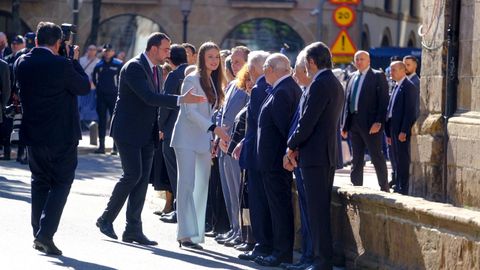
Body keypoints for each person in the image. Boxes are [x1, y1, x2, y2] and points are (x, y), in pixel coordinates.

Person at [96, 32, 206, 245]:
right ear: (153, 48)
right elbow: (148, 97)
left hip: (147, 132)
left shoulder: (155, 69)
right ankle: (106, 218)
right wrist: (181, 100)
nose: (168, 54)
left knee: (141, 180)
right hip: (128, 131)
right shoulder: (134, 66)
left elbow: (152, 101)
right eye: (166, 49)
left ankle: (133, 229)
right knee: (132, 174)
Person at [15, 21, 90, 255]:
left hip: (34, 134)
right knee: (61, 183)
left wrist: (65, 59)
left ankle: (38, 232)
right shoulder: (62, 65)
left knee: (39, 183)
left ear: (36, 40)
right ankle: (45, 234)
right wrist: (73, 61)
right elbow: (84, 87)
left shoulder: (21, 62)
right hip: (62, 136)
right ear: (58, 43)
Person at [285, 42, 345, 270]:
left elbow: (307, 122)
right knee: (317, 210)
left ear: (311, 62)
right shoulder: (332, 82)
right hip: (322, 155)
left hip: (316, 156)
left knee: (317, 211)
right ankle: (320, 259)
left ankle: (321, 261)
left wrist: (291, 145)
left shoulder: (321, 84)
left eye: (306, 64)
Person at [171, 41, 229, 249]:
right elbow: (189, 113)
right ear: (201, 59)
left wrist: (213, 135)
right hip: (186, 139)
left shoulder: (214, 81)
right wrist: (214, 129)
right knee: (186, 183)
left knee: (201, 186)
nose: (214, 60)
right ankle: (184, 234)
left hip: (203, 140)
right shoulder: (191, 79)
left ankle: (195, 235)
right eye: (210, 57)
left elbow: (209, 112)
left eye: (217, 57)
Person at [255, 53, 302, 267]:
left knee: (280, 207)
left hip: (276, 162)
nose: (263, 71)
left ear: (274, 69)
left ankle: (281, 253)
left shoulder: (284, 91)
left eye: (266, 67)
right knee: (276, 207)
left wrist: (289, 154)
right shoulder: (282, 88)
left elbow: (285, 129)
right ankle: (277, 250)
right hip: (272, 161)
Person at [235, 50, 273, 262]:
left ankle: (261, 245)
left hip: (257, 156)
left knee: (258, 202)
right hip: (261, 153)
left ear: (253, 68)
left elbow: (257, 125)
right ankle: (262, 243)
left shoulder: (259, 89)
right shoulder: (267, 87)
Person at [280, 49, 314, 270]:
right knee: (305, 211)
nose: (294, 75)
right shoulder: (304, 91)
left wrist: (291, 149)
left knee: (311, 213)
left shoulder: (312, 90)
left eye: (298, 71)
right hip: (299, 159)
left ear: (307, 70)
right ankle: (307, 257)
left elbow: (306, 126)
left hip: (307, 159)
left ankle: (311, 257)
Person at [215, 46, 250, 247]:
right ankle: (233, 228)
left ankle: (240, 231)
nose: (233, 65)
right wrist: (217, 133)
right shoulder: (231, 86)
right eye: (232, 62)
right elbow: (221, 111)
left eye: (238, 62)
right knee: (228, 189)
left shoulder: (246, 86)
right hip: (222, 144)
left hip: (235, 145)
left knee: (237, 189)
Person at [341, 50, 390, 192]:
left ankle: (384, 185)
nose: (359, 62)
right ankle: (356, 186)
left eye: (362, 59)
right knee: (356, 157)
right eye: (356, 59)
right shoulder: (351, 77)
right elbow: (347, 101)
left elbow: (383, 101)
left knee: (376, 155)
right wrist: (345, 125)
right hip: (354, 122)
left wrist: (379, 122)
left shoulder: (377, 75)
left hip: (371, 124)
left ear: (368, 61)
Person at [157, 44, 189, 224]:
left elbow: (166, 103)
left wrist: (160, 127)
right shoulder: (193, 74)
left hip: (172, 130)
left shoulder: (174, 75)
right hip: (189, 130)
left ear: (170, 59)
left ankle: (179, 210)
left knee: (175, 173)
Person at [385, 61, 418, 195]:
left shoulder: (409, 87)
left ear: (402, 70)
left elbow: (409, 111)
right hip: (393, 127)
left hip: (401, 130)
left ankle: (403, 187)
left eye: (393, 70)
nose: (390, 72)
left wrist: (404, 130)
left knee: (402, 159)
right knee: (395, 158)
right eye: (391, 70)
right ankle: (397, 185)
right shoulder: (396, 85)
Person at [92, 43, 123, 154]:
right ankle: (101, 146)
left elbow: (122, 80)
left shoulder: (118, 64)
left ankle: (115, 147)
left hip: (114, 96)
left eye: (109, 50)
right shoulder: (98, 65)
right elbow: (95, 79)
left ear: (113, 52)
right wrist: (100, 89)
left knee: (114, 121)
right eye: (105, 51)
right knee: (102, 121)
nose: (107, 52)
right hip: (101, 96)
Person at [78, 44, 100, 130]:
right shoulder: (82, 60)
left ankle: (88, 122)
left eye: (93, 49)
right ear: (87, 50)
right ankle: (80, 121)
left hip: (92, 86)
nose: (91, 51)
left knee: (90, 105)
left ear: (95, 51)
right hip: (81, 85)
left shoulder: (98, 62)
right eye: (90, 49)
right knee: (80, 104)